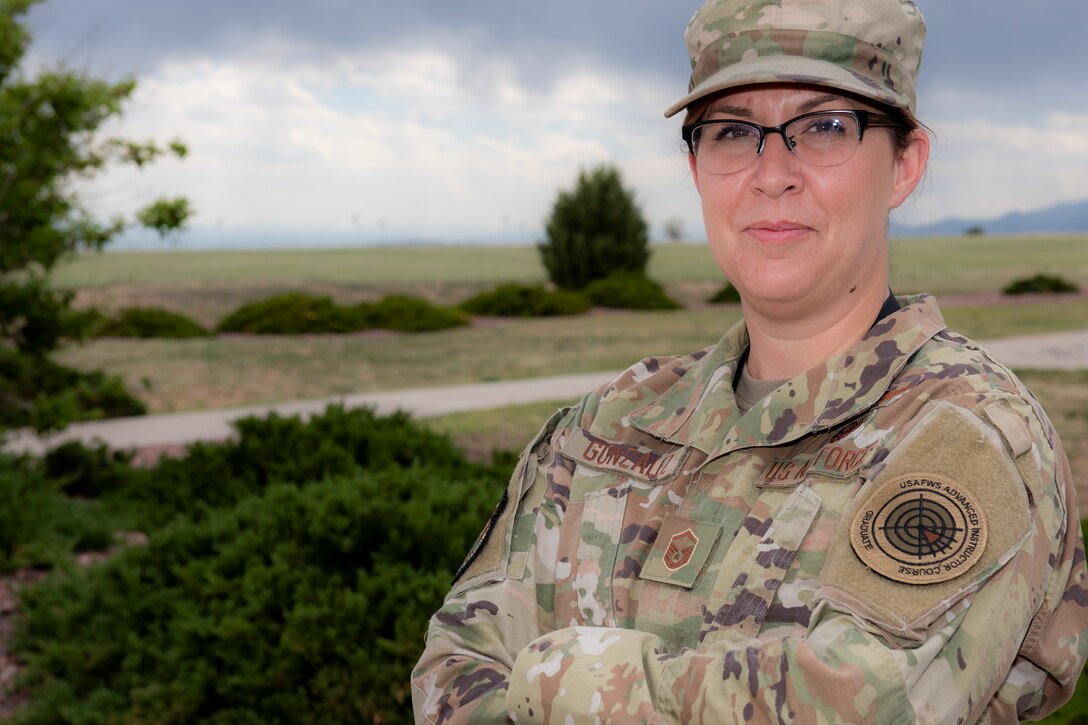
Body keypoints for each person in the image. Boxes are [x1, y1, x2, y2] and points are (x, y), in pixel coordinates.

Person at [412, 0, 1088, 721]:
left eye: (824, 127)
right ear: (697, 166)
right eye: (733, 132)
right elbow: (453, 669)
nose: (772, 173)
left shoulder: (966, 433)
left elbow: (857, 703)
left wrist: (565, 684)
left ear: (904, 164)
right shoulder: (610, 426)